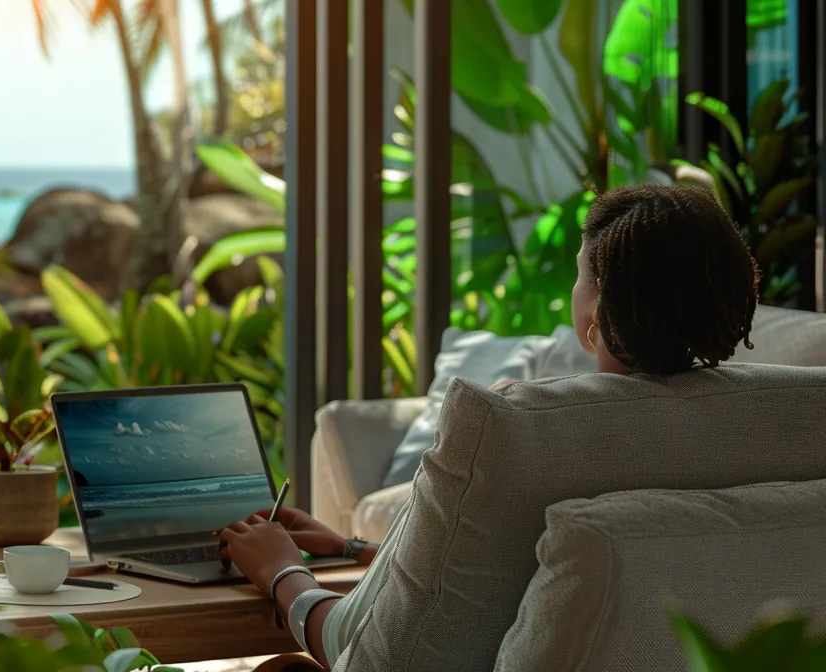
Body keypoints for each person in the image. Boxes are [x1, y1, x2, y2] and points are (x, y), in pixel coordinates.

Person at [218, 185, 762, 670]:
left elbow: (357, 648)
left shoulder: (517, 426)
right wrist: (358, 547)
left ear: (598, 303)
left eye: (579, 275)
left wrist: (281, 569)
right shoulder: (776, 417)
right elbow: (511, 564)